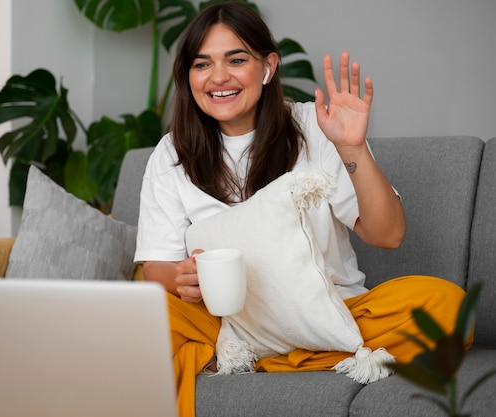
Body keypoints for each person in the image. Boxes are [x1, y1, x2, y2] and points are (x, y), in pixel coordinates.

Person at [133, 2, 472, 416]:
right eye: (202, 64)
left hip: (331, 310)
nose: (218, 77)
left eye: (236, 60)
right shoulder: (170, 154)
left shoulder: (316, 126)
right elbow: (156, 267)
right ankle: (278, 354)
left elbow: (388, 234)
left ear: (268, 67)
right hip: (229, 324)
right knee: (136, 324)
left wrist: (352, 148)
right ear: (188, 76)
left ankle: (272, 358)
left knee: (448, 308)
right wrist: (181, 275)